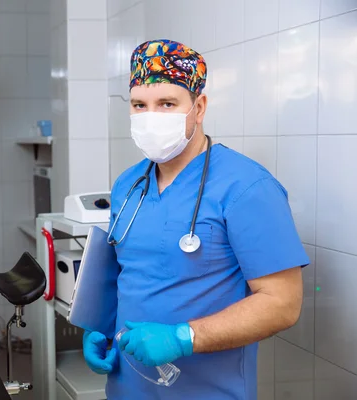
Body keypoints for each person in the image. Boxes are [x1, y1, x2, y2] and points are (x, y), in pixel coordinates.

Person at [82, 39, 309, 399]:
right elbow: (129, 272)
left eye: (167, 104)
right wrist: (101, 328)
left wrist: (184, 337)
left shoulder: (247, 187)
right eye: (139, 105)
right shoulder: (129, 183)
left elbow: (282, 304)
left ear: (199, 107)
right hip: (126, 387)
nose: (150, 116)